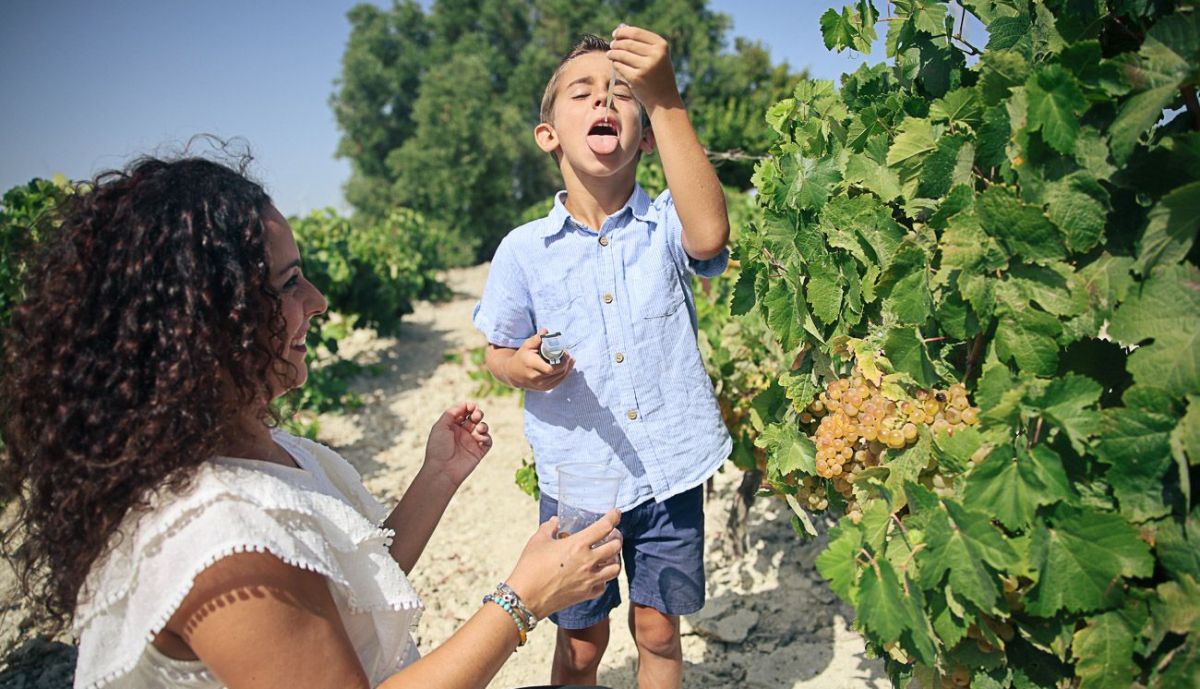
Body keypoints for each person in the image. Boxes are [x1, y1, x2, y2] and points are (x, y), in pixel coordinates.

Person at [0, 154, 623, 689]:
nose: (318, 302)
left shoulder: (248, 446)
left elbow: (344, 592)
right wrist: (522, 601)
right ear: (206, 323)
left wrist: (438, 476)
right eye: (289, 282)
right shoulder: (219, 543)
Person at [472, 26, 732, 689]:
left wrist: (666, 97)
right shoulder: (524, 251)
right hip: (580, 483)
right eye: (582, 93)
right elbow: (498, 351)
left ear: (646, 136)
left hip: (671, 471)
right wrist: (520, 366)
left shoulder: (668, 224)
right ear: (549, 134)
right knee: (582, 645)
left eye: (622, 94)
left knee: (659, 632)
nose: (604, 102)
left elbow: (710, 234)